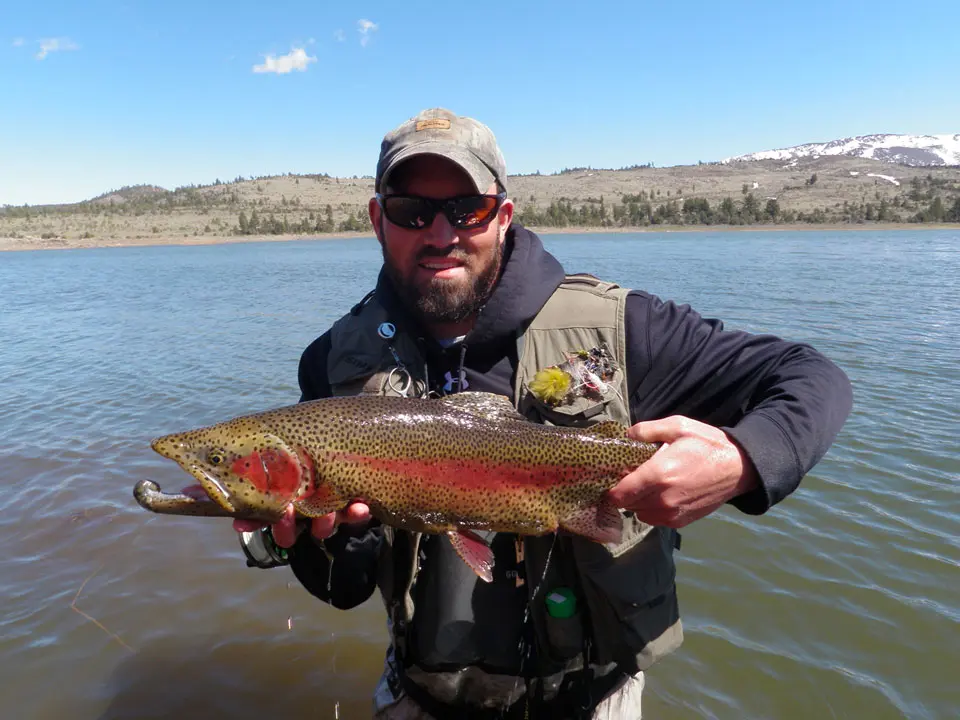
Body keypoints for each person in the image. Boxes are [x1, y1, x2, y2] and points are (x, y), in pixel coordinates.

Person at [234, 108, 853, 719]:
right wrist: (333, 539)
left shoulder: (624, 329)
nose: (441, 233)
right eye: (411, 211)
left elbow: (811, 376)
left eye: (466, 209)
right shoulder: (331, 363)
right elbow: (343, 589)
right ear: (378, 220)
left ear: (503, 216)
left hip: (592, 701)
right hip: (421, 698)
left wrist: (740, 460)